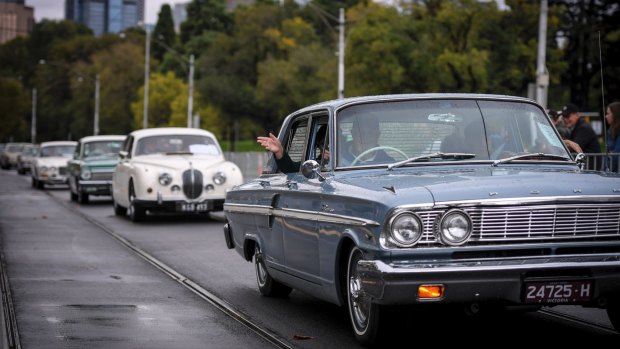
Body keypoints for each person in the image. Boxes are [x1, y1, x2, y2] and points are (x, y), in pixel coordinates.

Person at [257, 125, 329, 173]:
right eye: (323, 144)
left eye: (336, 142)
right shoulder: (315, 165)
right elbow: (291, 169)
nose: (328, 148)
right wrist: (279, 151)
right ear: (318, 146)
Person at [604, 101, 620, 171]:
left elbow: (616, 155)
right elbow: (607, 154)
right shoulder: (610, 131)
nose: (606, 116)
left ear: (615, 114)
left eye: (608, 114)